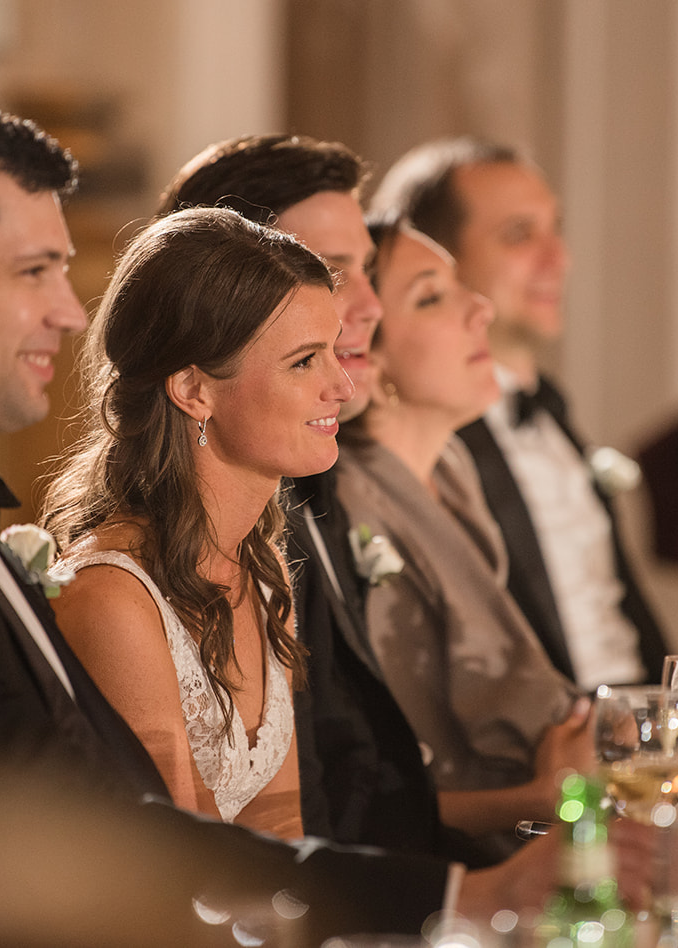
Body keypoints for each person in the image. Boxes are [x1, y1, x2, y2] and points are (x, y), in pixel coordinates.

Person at [0, 99, 559, 942]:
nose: (67, 308)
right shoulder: (94, 590)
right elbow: (150, 865)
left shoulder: (265, 562)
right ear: (195, 387)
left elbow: (279, 834)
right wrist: (468, 893)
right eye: (33, 271)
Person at [155, 133, 450, 859]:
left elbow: (306, 805)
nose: (369, 307)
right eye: (329, 270)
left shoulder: (273, 530)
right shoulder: (126, 583)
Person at [43, 208, 351, 838]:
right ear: (193, 389)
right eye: (304, 362)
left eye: (334, 353)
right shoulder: (113, 599)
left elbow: (285, 837)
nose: (342, 385)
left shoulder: (262, 575)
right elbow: (179, 865)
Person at [370, 139, 669, 689]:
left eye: (555, 228)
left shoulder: (551, 412)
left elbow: (616, 598)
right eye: (519, 235)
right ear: (437, 255)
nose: (559, 259)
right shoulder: (425, 438)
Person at [336, 215, 590, 858]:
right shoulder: (348, 509)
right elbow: (369, 791)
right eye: (432, 296)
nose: (479, 308)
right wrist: (545, 795)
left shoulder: (452, 467)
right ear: (370, 352)